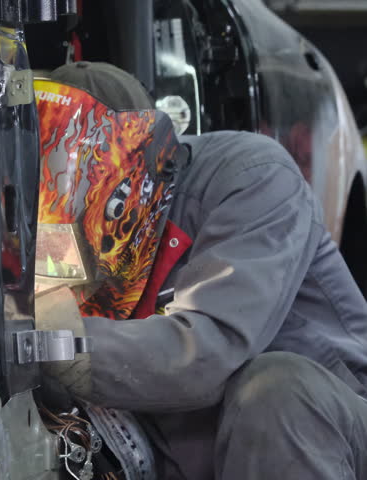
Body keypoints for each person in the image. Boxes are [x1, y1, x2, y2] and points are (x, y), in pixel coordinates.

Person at [33, 61, 367, 480]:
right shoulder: (47, 225)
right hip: (193, 455)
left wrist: (62, 343)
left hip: (328, 432)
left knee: (277, 391)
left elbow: (206, 357)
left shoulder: (253, 177)